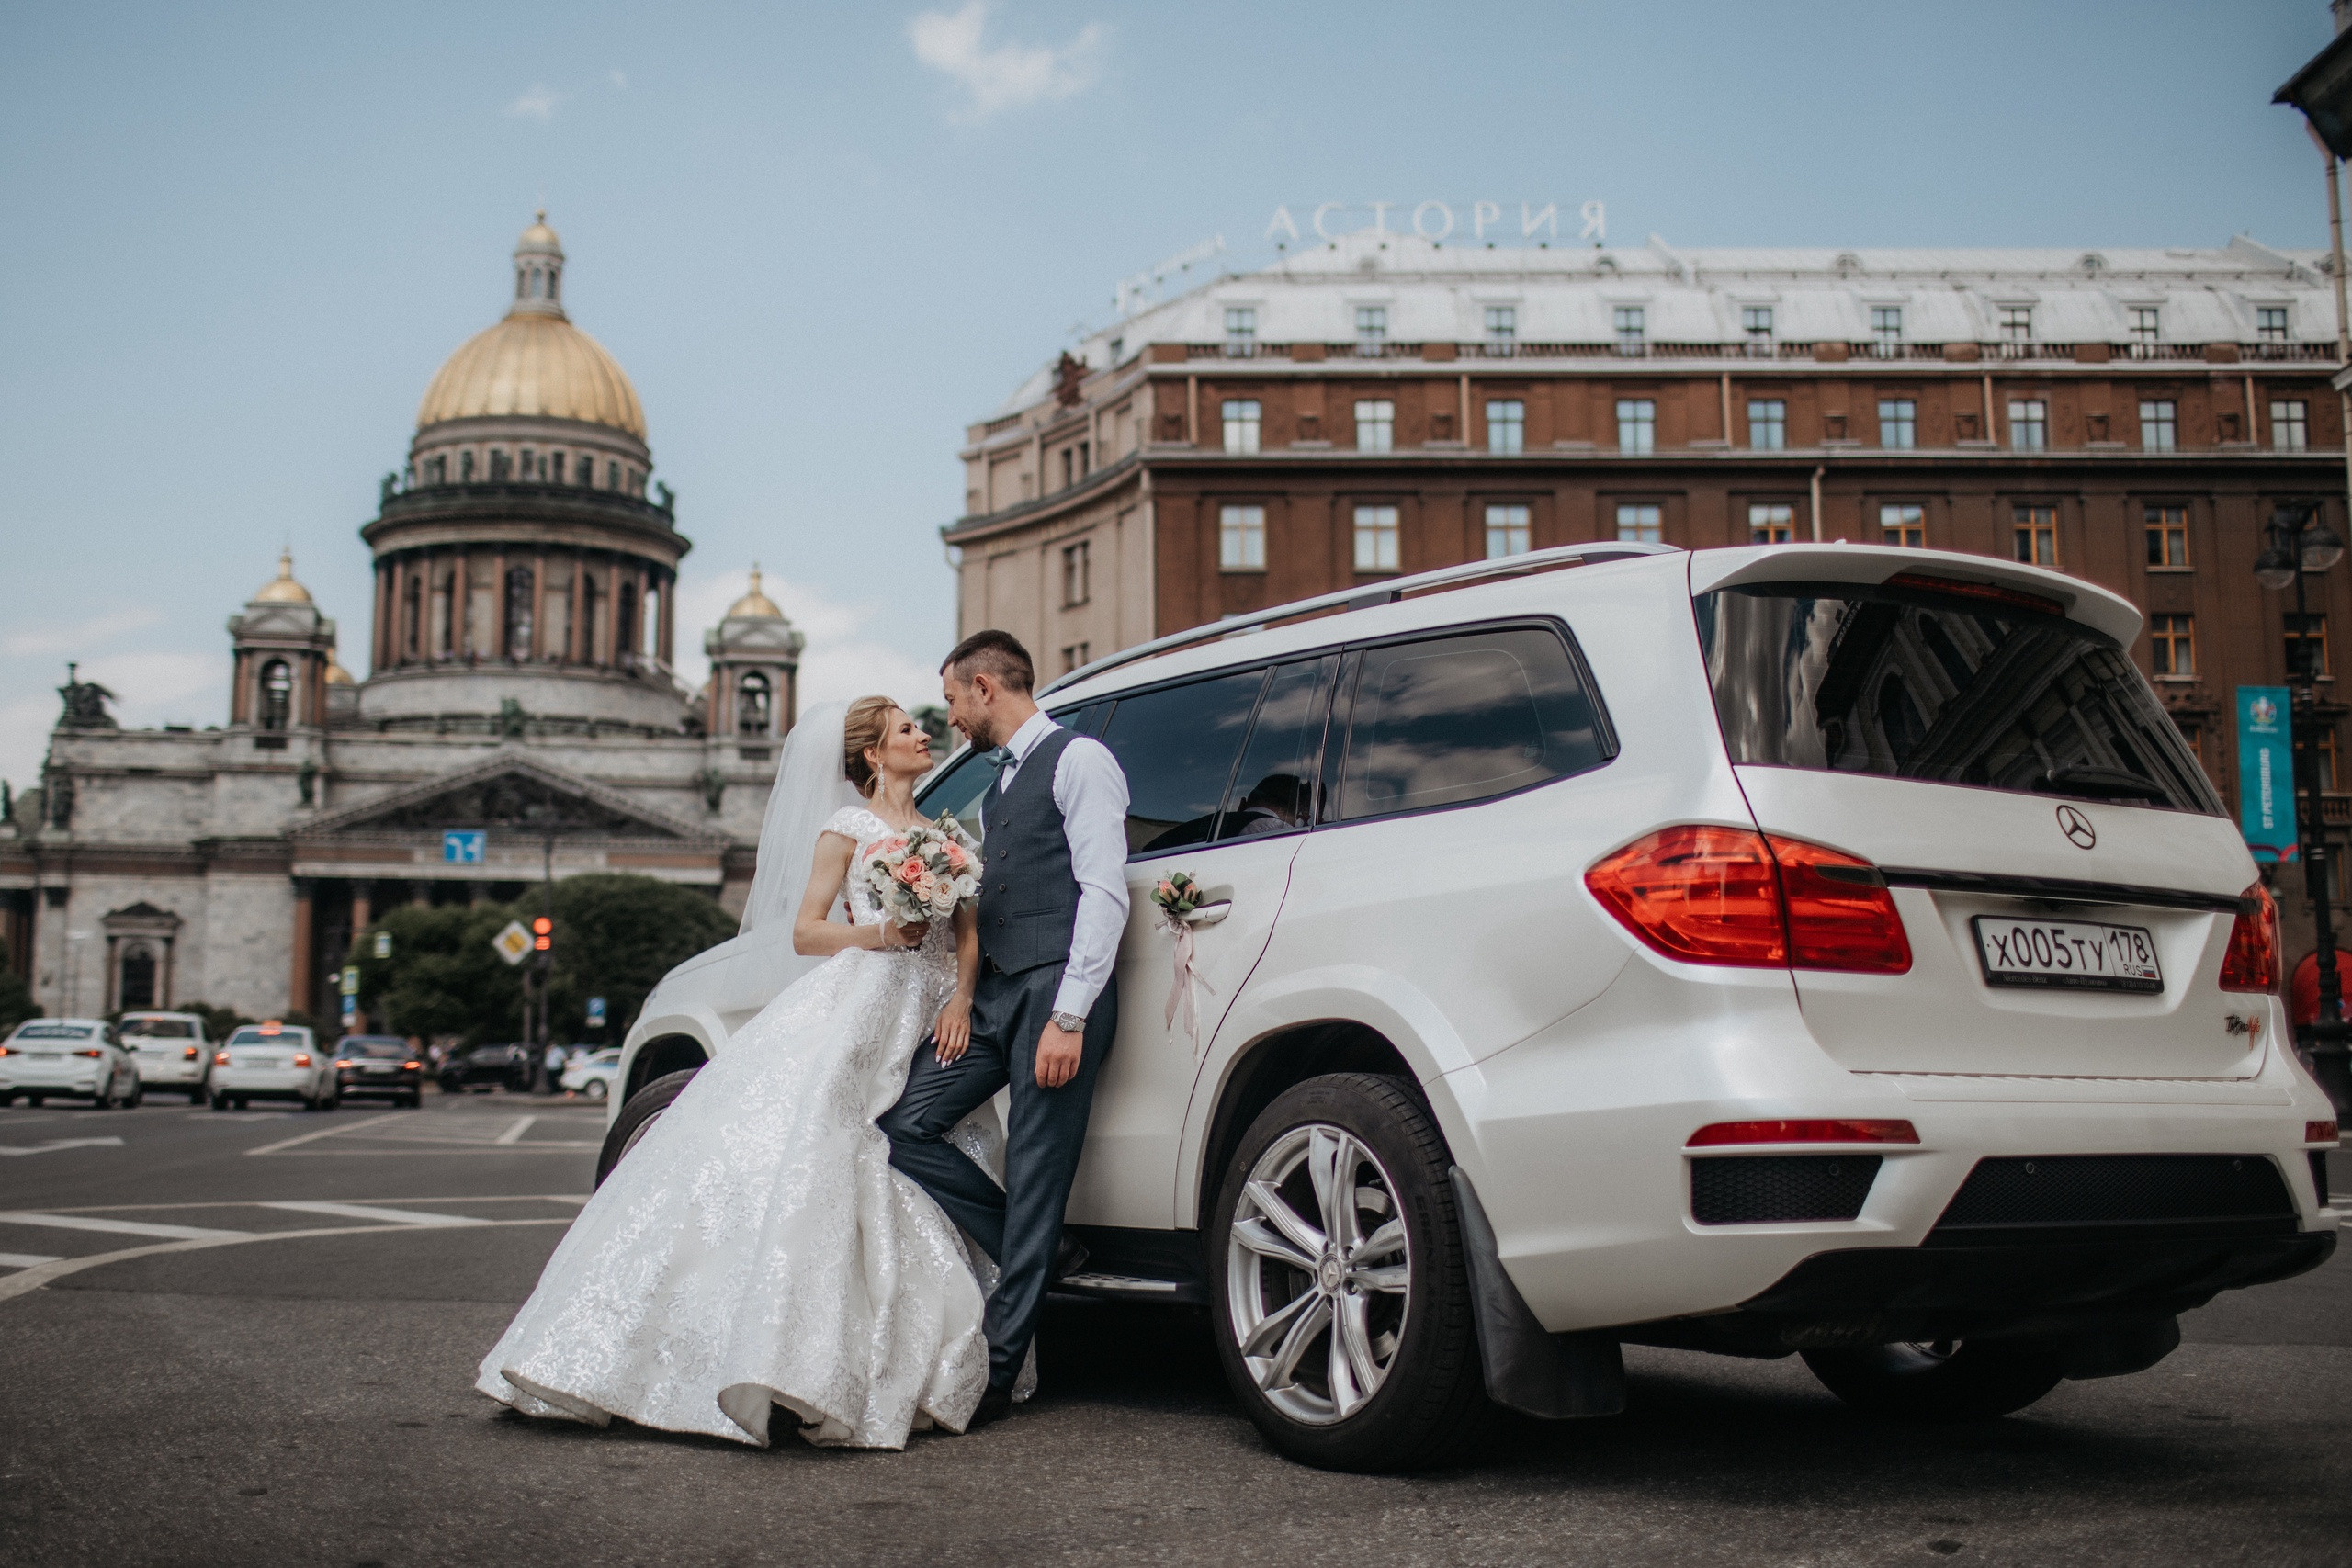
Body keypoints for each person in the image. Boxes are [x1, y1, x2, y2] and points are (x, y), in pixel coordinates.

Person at [475, 695, 1011, 1449]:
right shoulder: (848, 830)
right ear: (870, 755)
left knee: (916, 1143)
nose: (925, 733)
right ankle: (785, 1357)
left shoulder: (944, 834)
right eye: (906, 730)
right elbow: (807, 930)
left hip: (930, 1009)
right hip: (865, 1001)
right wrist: (884, 929)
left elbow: (967, 928)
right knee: (828, 1153)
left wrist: (959, 997)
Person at [881, 629, 1131, 1430]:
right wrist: (962, 996)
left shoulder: (1078, 759)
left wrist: (1070, 1013)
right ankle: (1043, 1248)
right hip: (994, 998)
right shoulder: (998, 786)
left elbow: (1104, 893)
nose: (949, 716)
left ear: (986, 687)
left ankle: (993, 1373)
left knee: (1035, 1173)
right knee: (904, 1121)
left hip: (1055, 993)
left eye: (953, 699)